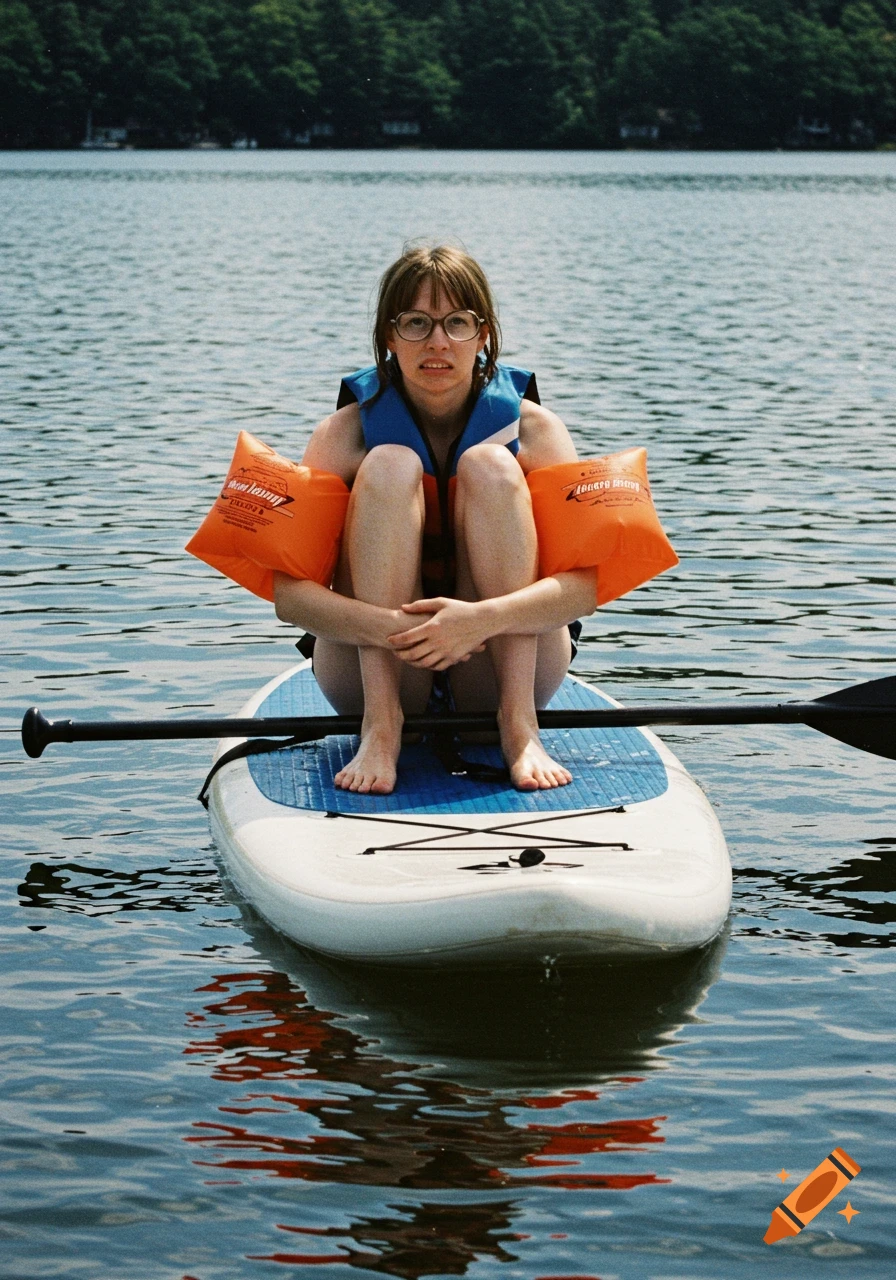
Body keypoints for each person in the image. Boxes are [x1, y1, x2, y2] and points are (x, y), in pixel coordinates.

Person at [273, 245, 596, 795]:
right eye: (416, 323)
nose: (437, 342)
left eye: (456, 323)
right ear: (388, 338)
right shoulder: (342, 436)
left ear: (484, 334)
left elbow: (583, 593)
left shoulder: (538, 433)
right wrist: (403, 631)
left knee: (492, 464)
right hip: (374, 661)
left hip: (495, 664)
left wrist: (479, 620)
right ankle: (383, 725)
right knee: (390, 463)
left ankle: (519, 727)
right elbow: (289, 599)